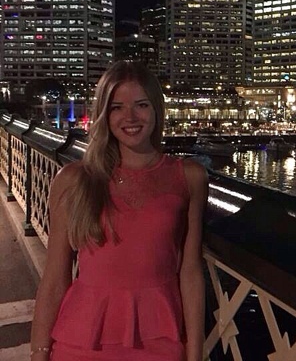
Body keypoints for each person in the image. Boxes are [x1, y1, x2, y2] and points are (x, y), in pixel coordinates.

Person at [30, 61, 208, 360]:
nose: (130, 117)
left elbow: (190, 272)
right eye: (117, 107)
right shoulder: (74, 179)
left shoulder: (189, 177)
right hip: (81, 341)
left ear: (156, 109)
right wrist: (39, 351)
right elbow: (55, 278)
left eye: (141, 105)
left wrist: (195, 353)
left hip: (160, 339)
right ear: (104, 114)